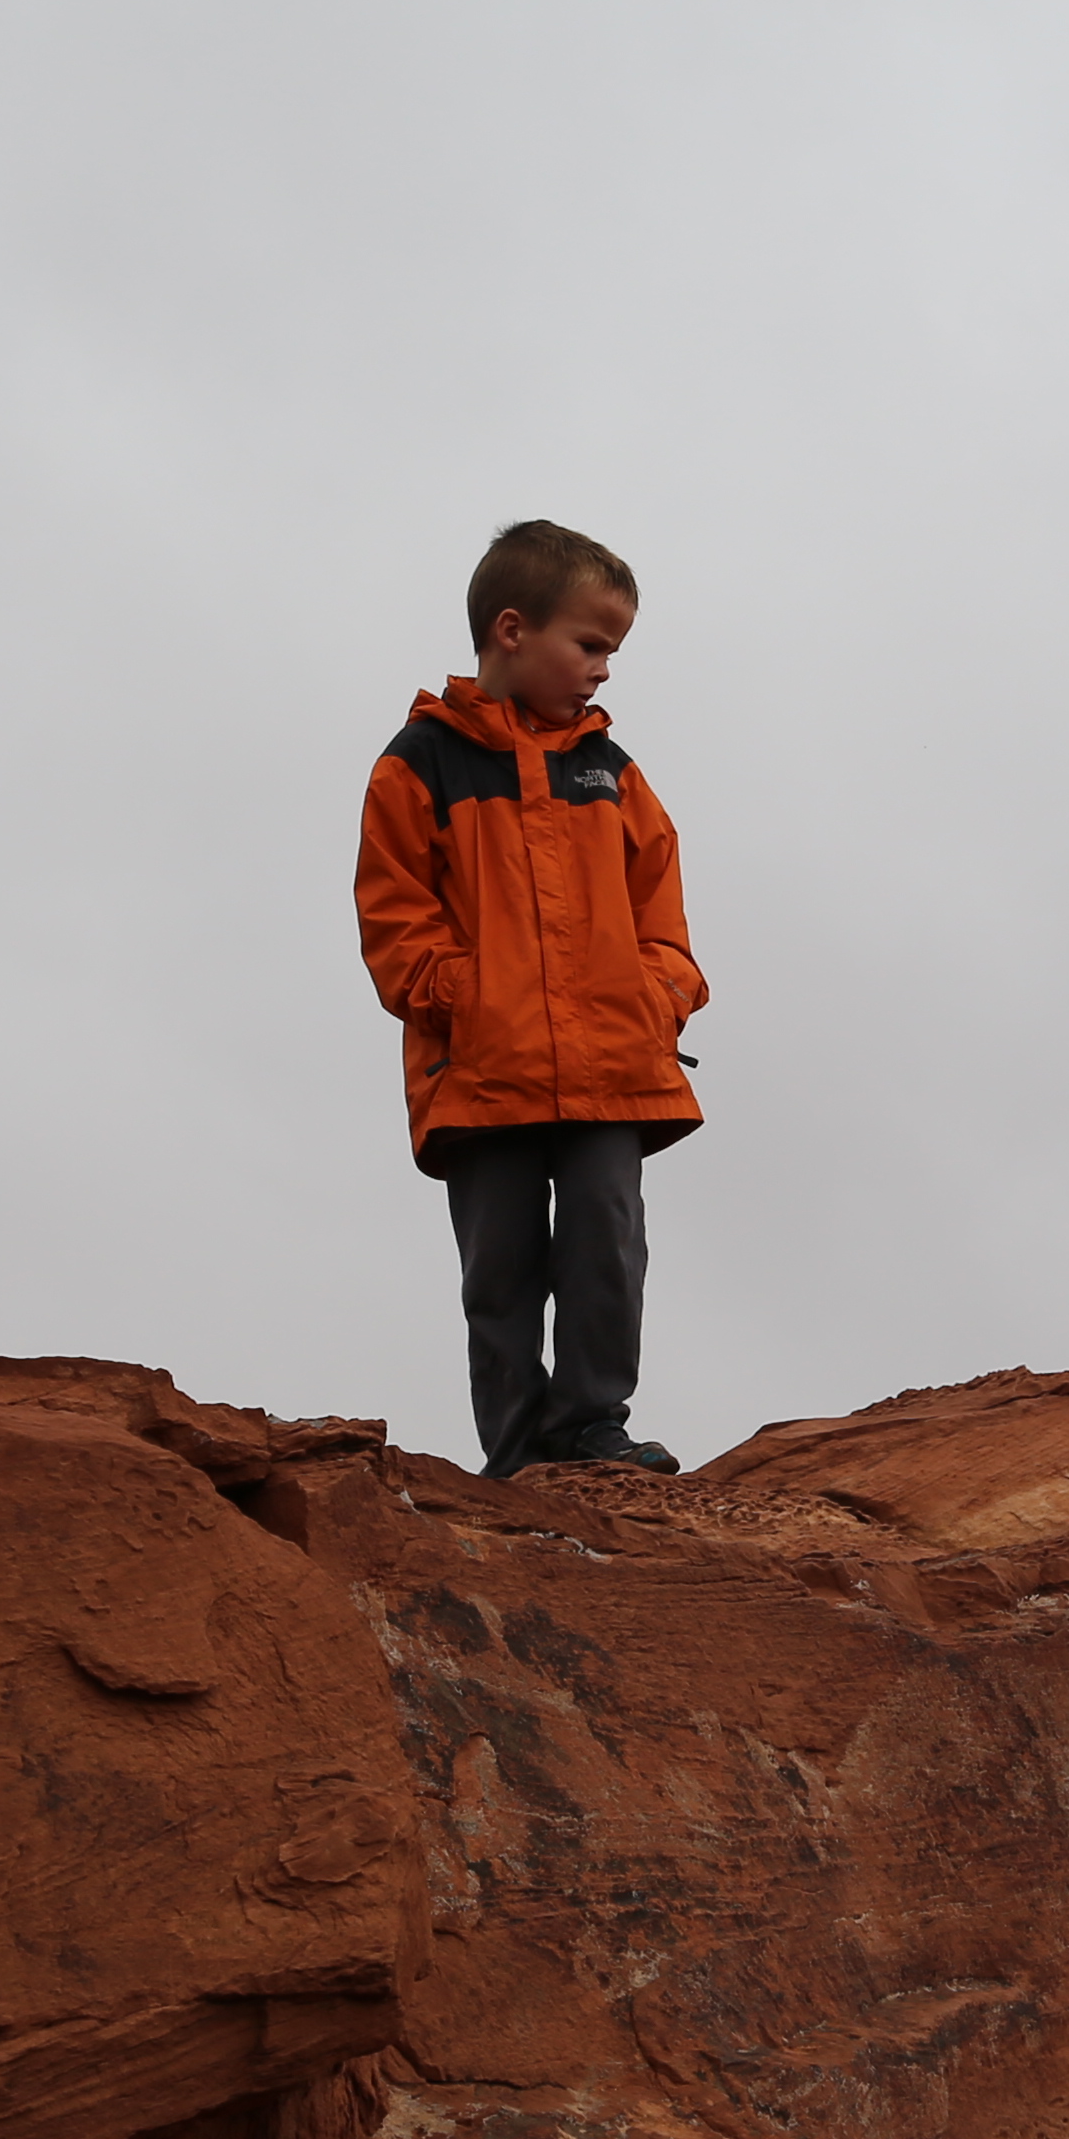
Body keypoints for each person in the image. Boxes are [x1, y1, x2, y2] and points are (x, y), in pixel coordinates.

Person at [353, 518, 706, 1478]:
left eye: (612, 651)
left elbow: (662, 914)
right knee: (500, 1273)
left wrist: (657, 995)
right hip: (480, 1070)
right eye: (591, 645)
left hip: (611, 1068)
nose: (603, 670)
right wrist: (470, 1001)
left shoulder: (613, 773)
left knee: (605, 1245)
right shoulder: (416, 764)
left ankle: (594, 1427)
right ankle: (515, 1464)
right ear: (513, 630)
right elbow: (394, 923)